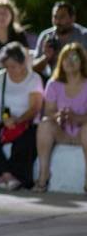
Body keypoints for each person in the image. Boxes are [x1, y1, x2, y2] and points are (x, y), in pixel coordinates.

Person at [0, 42, 43, 190]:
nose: (10, 70)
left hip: (25, 123)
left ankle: (18, 176)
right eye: (7, 67)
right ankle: (4, 175)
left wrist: (18, 120)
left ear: (22, 63)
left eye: (13, 66)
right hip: (2, 122)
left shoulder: (34, 79)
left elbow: (35, 108)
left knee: (29, 137)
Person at [34, 43, 87, 193]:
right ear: (61, 62)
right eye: (66, 58)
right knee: (45, 124)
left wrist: (77, 117)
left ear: (82, 62)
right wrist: (59, 116)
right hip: (62, 132)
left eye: (74, 58)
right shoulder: (53, 84)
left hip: (82, 133)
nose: (69, 62)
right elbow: (49, 111)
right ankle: (43, 175)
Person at [33, 2, 87, 78]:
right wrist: (46, 57)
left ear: (72, 18)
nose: (58, 21)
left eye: (62, 17)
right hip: (54, 81)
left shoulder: (84, 35)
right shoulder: (46, 36)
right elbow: (33, 69)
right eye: (55, 17)